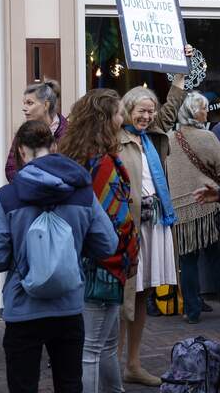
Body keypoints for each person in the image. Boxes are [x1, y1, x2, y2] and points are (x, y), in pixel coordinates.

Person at [0, 120, 118, 392]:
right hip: (68, 304)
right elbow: (107, 244)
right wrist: (75, 248)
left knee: (23, 386)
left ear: (21, 151)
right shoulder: (82, 192)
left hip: (23, 307)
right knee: (69, 384)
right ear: (54, 147)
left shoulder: (8, 197)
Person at [57, 89, 140, 393]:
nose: (123, 117)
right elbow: (114, 219)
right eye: (118, 113)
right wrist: (128, 255)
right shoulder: (102, 163)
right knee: (93, 348)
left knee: (103, 345)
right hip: (103, 264)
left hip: (85, 259)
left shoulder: (74, 156)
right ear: (105, 119)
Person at [118, 75, 186, 387]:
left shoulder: (152, 136)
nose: (146, 116)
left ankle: (133, 364)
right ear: (127, 110)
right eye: (140, 111)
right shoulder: (115, 138)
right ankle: (112, 364)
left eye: (150, 111)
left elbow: (170, 111)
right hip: (129, 225)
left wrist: (179, 80)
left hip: (155, 221)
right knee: (124, 295)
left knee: (143, 292)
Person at [167, 92, 220, 324]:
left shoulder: (168, 138)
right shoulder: (207, 137)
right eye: (203, 108)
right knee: (217, 258)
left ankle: (192, 310)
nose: (207, 112)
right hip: (208, 206)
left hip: (180, 208)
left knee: (187, 261)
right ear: (193, 112)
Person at [5, 80, 67, 182]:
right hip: (28, 189)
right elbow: (11, 169)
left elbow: (72, 170)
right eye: (24, 103)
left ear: (46, 105)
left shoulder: (68, 133)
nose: (24, 108)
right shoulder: (23, 133)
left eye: (30, 103)